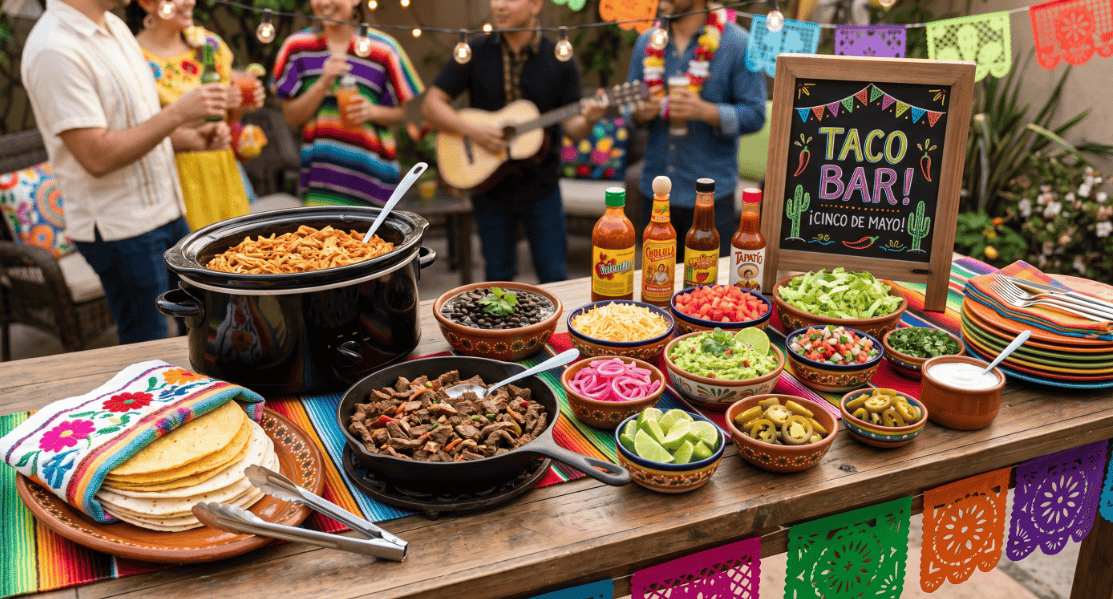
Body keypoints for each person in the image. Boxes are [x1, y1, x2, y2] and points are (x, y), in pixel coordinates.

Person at [21, 0, 227, 344]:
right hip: (122, 228)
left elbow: (137, 128)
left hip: (169, 210)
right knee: (148, 342)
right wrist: (176, 114)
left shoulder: (116, 27)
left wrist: (193, 138)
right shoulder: (52, 49)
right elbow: (96, 155)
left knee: (201, 325)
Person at [422, 0, 606, 284]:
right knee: (497, 278)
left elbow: (574, 128)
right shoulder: (474, 50)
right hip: (488, 185)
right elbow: (432, 105)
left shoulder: (559, 56)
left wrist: (591, 118)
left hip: (542, 186)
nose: (499, 5)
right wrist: (473, 131)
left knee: (555, 278)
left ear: (535, 5)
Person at [627, 0, 766, 254]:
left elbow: (756, 115)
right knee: (653, 285)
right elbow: (629, 109)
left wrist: (708, 112)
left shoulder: (738, 43)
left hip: (710, 197)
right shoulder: (647, 42)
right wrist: (639, 112)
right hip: (656, 193)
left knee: (707, 290)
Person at [125, 0, 264, 231]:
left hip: (222, 169)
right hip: (174, 179)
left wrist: (241, 103)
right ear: (148, 3)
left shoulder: (209, 44)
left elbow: (228, 121)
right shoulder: (134, 57)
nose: (190, 1)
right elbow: (138, 132)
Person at [272, 0, 423, 207]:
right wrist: (323, 82)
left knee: (374, 239)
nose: (325, 3)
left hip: (373, 177)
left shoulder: (383, 49)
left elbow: (399, 114)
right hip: (320, 180)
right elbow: (291, 118)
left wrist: (370, 111)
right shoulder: (297, 47)